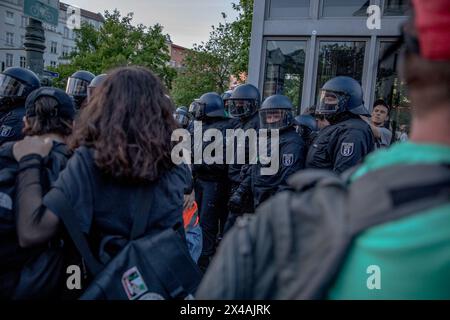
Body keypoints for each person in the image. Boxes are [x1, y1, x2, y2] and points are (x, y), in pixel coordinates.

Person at [195, 0, 450, 300]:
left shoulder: (351, 140)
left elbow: (340, 178)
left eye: (332, 99)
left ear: (408, 66)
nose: (325, 104)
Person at [12, 67, 192, 288]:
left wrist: (29, 160)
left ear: (102, 107)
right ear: (161, 110)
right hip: (158, 283)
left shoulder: (88, 160)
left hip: (104, 285)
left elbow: (32, 231)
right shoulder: (173, 164)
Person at [0, 87, 75, 299]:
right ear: (73, 126)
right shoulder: (78, 167)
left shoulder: (5, 156)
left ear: (25, 123)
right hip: (52, 282)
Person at [229, 95, 305, 212]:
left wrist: (275, 207)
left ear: (287, 116)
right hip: (258, 199)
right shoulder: (267, 138)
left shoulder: (292, 142)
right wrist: (241, 192)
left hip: (273, 203)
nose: (272, 120)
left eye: (276, 116)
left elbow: (288, 179)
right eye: (269, 116)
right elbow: (253, 168)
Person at [189, 92, 236, 271]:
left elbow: (221, 161)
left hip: (214, 183)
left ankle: (204, 262)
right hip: (201, 180)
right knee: (197, 221)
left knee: (207, 224)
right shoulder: (203, 125)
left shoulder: (226, 127)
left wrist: (198, 160)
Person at [305, 76, 375, 174]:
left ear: (347, 101)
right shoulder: (336, 126)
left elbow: (343, 175)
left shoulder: (353, 132)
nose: (325, 103)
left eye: (330, 99)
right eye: (324, 99)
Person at [224, 84, 261, 232]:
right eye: (236, 104)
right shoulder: (240, 123)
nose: (238, 107)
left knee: (234, 230)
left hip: (245, 188)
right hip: (235, 183)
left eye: (242, 104)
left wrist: (241, 190)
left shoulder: (258, 125)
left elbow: (255, 161)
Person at [0, 67, 41, 145]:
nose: (5, 89)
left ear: (25, 90)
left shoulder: (18, 117)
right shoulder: (8, 106)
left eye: (9, 87)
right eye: (4, 85)